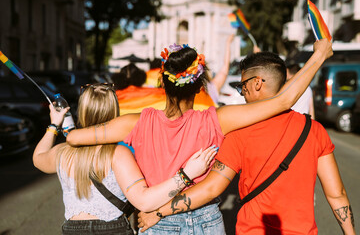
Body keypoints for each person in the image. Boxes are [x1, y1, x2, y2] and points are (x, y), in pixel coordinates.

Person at [66, 39, 333, 234]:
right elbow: (284, 101)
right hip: (207, 222)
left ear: (164, 83)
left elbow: (75, 138)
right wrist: (319, 55)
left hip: (157, 222)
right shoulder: (218, 119)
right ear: (200, 86)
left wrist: (58, 126)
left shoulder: (135, 123)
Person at [137, 51, 355, 235]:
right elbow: (337, 195)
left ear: (257, 83)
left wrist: (159, 212)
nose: (242, 94)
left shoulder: (239, 133)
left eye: (243, 86)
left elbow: (212, 188)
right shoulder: (314, 130)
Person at [33, 83, 218, 235]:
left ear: (81, 110)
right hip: (112, 230)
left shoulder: (63, 152)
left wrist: (53, 125)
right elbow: (144, 201)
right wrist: (187, 174)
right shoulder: (118, 154)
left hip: (71, 230)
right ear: (114, 111)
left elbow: (38, 158)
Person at [207, 34, 235, 104]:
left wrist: (228, 43)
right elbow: (226, 65)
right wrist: (228, 43)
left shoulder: (189, 90)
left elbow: (225, 65)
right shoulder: (213, 87)